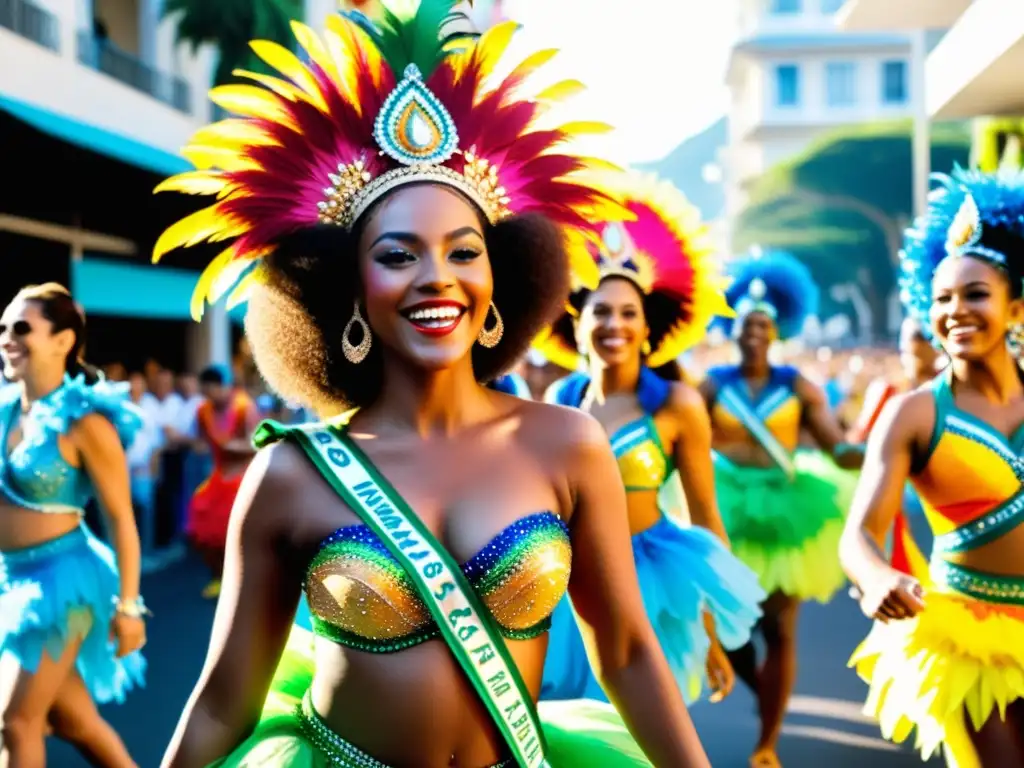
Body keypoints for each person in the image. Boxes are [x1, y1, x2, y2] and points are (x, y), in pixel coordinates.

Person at [154, 3, 710, 766]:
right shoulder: (289, 475)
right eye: (397, 255)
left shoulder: (566, 446)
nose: (436, 280)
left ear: (499, 274)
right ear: (349, 289)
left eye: (462, 252)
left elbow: (625, 652)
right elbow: (223, 703)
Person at [535, 170, 764, 706]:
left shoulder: (677, 406)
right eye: (602, 311)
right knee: (567, 733)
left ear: (646, 326)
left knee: (635, 732)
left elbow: (706, 517)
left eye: (628, 313)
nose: (614, 324)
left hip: (653, 585)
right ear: (579, 320)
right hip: (568, 586)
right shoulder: (559, 403)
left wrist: (712, 634)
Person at [842, 169, 1024, 768]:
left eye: (975, 294)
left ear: (1015, 307)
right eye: (942, 299)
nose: (956, 311)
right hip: (966, 635)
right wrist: (876, 578)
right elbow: (860, 534)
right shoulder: (913, 415)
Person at [699, 248, 862, 768]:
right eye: (746, 324)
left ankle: (767, 742)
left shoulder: (800, 387)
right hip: (727, 508)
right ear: (734, 328)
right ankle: (761, 689)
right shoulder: (712, 385)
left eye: (763, 326)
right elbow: (682, 439)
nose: (753, 334)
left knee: (781, 629)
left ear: (778, 332)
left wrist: (868, 452)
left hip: (788, 510)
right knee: (734, 628)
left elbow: (834, 444)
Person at [0, 283, 147, 767]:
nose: (7, 338)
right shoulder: (4, 409)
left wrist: (128, 608)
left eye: (22, 328)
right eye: (3, 328)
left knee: (16, 723)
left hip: (64, 582)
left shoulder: (85, 422)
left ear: (64, 341)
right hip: (11, 579)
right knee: (73, 721)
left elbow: (122, 519)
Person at [186, 365, 257, 599]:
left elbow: (260, 442)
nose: (210, 394)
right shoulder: (202, 411)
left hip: (244, 477)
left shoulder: (244, 407)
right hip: (218, 477)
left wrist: (239, 447)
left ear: (224, 387)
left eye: (214, 389)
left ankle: (245, 581)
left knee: (236, 529)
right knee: (202, 519)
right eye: (206, 390)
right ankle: (218, 577)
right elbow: (199, 442)